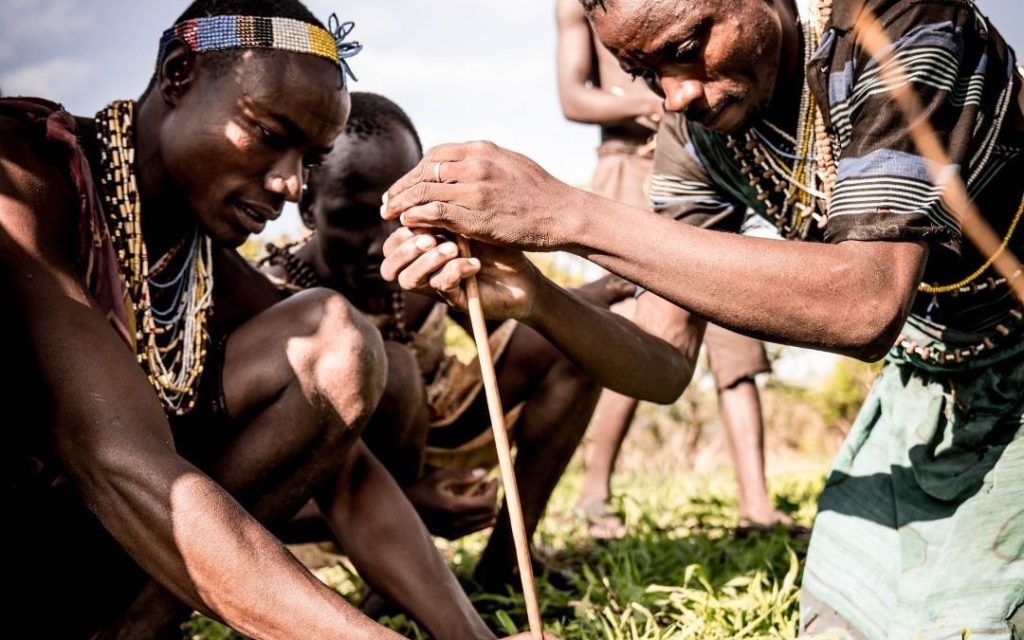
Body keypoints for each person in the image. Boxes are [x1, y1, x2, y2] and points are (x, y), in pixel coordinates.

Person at [379, 0, 1024, 637]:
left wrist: (567, 215)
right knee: (845, 620)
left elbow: (866, 305)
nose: (674, 94)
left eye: (686, 49)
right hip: (933, 388)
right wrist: (538, 297)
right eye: (644, 73)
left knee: (968, 623)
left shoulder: (901, 22)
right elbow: (663, 364)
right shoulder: (695, 137)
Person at [0, 2, 515, 638]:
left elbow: (349, 475)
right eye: (272, 135)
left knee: (336, 343)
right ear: (179, 74)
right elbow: (114, 456)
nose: (292, 185)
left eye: (308, 159)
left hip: (84, 573)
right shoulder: (22, 174)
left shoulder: (203, 267)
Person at [262, 91, 632, 590]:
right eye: (351, 219)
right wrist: (410, 500)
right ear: (308, 207)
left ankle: (507, 562)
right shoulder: (270, 299)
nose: (378, 243)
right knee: (390, 370)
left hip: (442, 428)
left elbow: (515, 329)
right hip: (334, 483)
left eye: (394, 215)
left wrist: (603, 290)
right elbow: (247, 488)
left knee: (566, 347)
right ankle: (395, 580)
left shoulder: (421, 261)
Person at [555, 0, 786, 539]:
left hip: (712, 155)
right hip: (630, 167)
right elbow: (572, 97)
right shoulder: (575, 5)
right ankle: (595, 493)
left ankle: (756, 506)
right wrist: (649, 96)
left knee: (735, 325)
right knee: (639, 328)